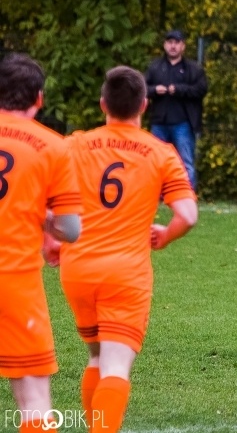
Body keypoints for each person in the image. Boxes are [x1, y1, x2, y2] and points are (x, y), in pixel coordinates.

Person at [58, 66, 198, 432]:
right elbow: (188, 215)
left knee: (96, 358)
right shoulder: (161, 153)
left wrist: (52, 238)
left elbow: (47, 198)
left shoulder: (75, 145)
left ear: (103, 104)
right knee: (116, 367)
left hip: (78, 268)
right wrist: (166, 235)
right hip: (126, 273)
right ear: (144, 105)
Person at [0, 53, 83, 432]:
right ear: (39, 98)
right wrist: (46, 221)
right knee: (34, 398)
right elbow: (71, 230)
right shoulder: (53, 146)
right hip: (14, 279)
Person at [145, 29, 208, 190]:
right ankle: (154, 194)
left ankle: (187, 195)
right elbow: (142, 88)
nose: (173, 46)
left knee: (186, 162)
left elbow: (201, 89)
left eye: (176, 43)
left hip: (183, 123)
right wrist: (154, 90)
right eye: (170, 42)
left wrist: (180, 90)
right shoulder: (155, 67)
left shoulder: (193, 69)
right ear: (165, 45)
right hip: (159, 123)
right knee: (154, 161)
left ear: (183, 46)